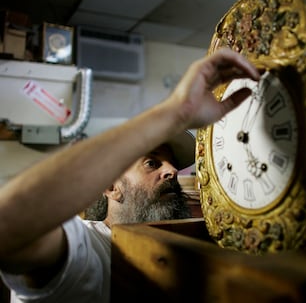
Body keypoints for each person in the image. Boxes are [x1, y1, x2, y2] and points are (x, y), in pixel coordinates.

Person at [0, 47, 260, 302]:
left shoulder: (179, 250)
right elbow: (8, 224)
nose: (171, 171)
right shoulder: (89, 251)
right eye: (151, 163)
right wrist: (175, 113)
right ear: (112, 187)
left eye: (172, 165)